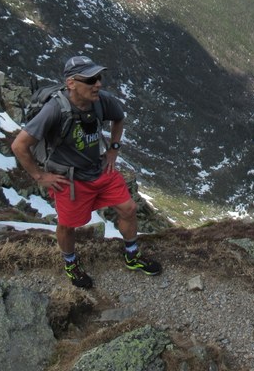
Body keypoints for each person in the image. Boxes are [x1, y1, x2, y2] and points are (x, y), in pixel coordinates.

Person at [11, 55, 161, 288]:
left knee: (129, 208)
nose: (98, 84)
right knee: (68, 226)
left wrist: (113, 150)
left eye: (99, 78)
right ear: (71, 83)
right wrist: (40, 176)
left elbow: (118, 119)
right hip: (69, 179)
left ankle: (132, 255)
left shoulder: (102, 101)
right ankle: (70, 262)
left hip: (100, 169)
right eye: (91, 80)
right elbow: (19, 145)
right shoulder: (54, 110)